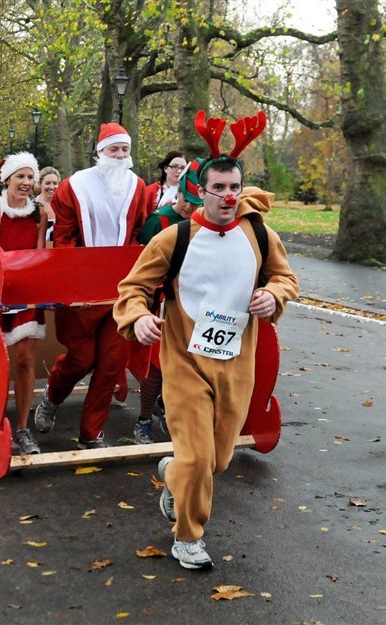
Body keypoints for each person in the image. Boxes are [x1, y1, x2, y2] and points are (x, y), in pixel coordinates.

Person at [113, 110, 299, 571]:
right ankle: (188, 537)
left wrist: (272, 295)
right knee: (197, 458)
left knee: (215, 460)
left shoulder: (260, 234)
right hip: (184, 362)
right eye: (219, 188)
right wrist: (137, 318)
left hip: (237, 363)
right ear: (200, 190)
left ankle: (174, 476)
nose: (229, 196)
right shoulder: (174, 239)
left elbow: (286, 278)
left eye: (234, 187)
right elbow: (132, 289)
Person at [32, 123, 149, 449]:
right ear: (100, 152)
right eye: (115, 149)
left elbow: (139, 235)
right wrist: (74, 288)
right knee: (81, 359)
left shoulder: (138, 187)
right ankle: (52, 398)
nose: (121, 155)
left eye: (125, 149)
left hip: (120, 291)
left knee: (112, 363)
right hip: (82, 293)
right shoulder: (74, 187)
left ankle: (91, 433)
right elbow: (64, 240)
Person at [127, 157, 204, 445]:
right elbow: (140, 266)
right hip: (161, 301)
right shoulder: (158, 220)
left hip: (193, 303)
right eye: (187, 200)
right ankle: (144, 419)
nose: (189, 208)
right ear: (179, 191)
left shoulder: (204, 223)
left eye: (197, 203)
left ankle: (172, 413)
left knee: (189, 365)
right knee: (156, 367)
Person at [0, 153, 47, 455]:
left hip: (29, 293)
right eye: (21, 176)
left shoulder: (39, 213)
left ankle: (21, 428)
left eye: (31, 177)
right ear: (7, 179)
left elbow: (40, 254)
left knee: (25, 358)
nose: (27, 183)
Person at [35, 166, 60, 242]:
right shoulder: (33, 205)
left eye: (55, 183)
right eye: (48, 183)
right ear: (40, 184)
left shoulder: (63, 206)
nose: (52, 187)